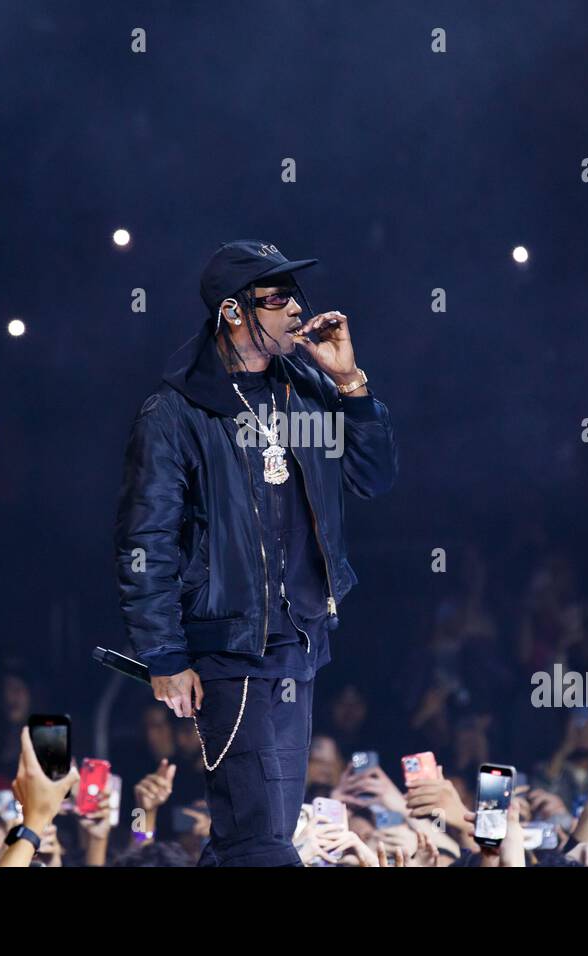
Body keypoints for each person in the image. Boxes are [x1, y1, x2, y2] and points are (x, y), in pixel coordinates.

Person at [114, 240, 398, 866]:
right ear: (233, 313)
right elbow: (146, 540)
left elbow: (373, 476)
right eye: (277, 298)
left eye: (296, 295)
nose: (298, 309)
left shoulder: (305, 388)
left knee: (254, 831)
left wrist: (349, 381)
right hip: (228, 649)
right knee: (259, 839)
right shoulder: (177, 411)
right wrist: (162, 653)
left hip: (299, 643)